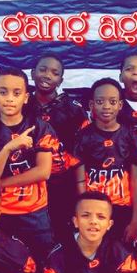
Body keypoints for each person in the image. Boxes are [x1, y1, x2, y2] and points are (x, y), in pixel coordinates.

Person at [0, 67, 72, 261]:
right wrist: (8, 148)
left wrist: (3, 183)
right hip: (0, 212)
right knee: (3, 263)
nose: (9, 99)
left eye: (16, 93)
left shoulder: (40, 127)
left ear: (25, 98)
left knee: (43, 262)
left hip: (35, 213)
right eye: (3, 92)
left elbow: (43, 172)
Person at [74, 78, 137, 243]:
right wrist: (84, 211)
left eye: (112, 102)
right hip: (93, 209)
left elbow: (136, 181)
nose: (106, 107)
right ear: (91, 105)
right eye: (100, 102)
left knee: (120, 251)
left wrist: (135, 220)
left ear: (120, 105)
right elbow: (80, 181)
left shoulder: (130, 136)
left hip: (122, 209)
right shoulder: (82, 137)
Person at [25, 53, 87, 238]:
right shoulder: (21, 103)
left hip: (62, 182)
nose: (47, 75)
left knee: (61, 230)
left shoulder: (73, 109)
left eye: (54, 73)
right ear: (32, 73)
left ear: (60, 80)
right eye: (43, 70)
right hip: (27, 180)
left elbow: (82, 150)